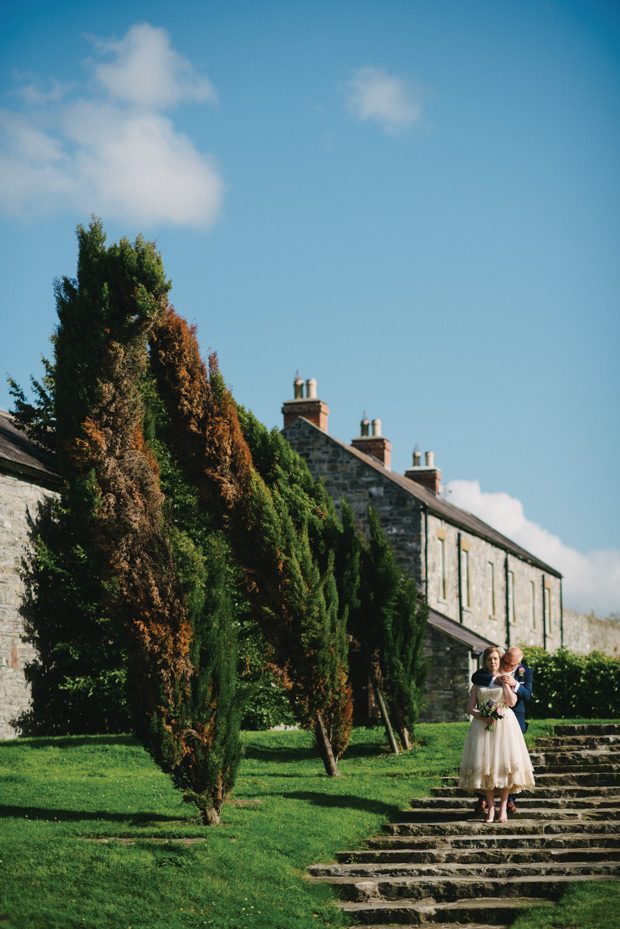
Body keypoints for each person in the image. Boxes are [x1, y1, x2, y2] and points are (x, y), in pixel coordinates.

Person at [458, 645, 535, 823]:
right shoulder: (481, 678)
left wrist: (510, 683)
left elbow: (520, 698)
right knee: (486, 766)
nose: (500, 664)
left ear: (518, 663)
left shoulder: (523, 672)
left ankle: (504, 808)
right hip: (483, 727)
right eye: (490, 659)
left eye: (497, 659)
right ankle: (489, 808)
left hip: (506, 725)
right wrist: (482, 716)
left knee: (504, 766)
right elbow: (471, 702)